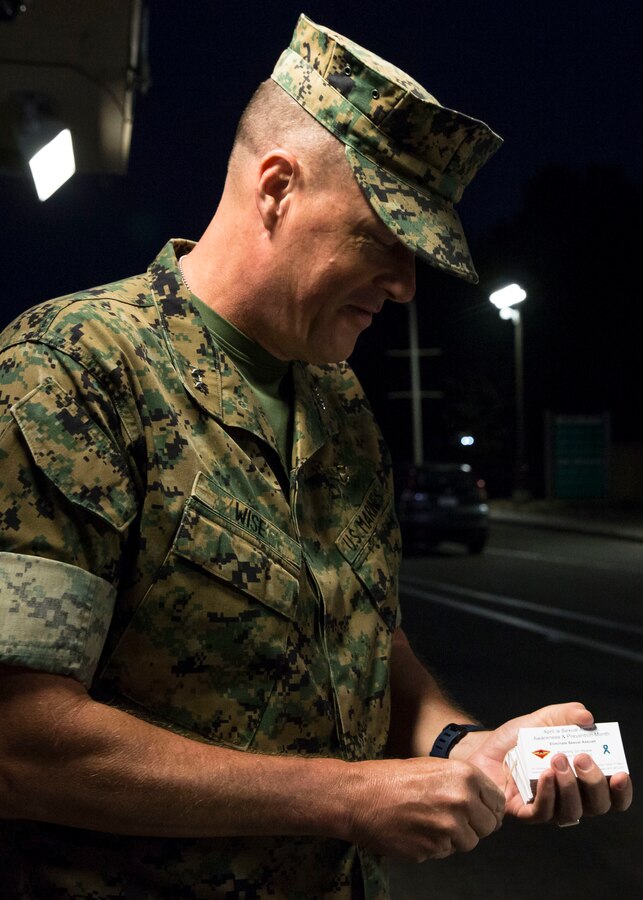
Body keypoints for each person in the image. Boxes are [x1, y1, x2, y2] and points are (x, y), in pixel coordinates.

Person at [0, 13, 632, 900]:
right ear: (276, 187)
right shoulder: (71, 371)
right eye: (382, 240)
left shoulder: (339, 405)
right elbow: (21, 744)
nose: (407, 285)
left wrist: (466, 746)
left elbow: (374, 648)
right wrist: (343, 798)